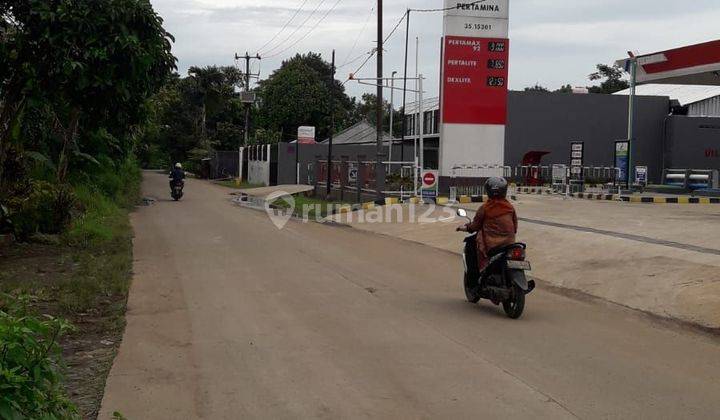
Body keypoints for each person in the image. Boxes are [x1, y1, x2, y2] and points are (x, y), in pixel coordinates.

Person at [457, 177, 518, 272]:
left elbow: (475, 226)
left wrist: (464, 227)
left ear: (488, 191)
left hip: (492, 245)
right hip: (509, 244)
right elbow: (515, 228)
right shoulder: (510, 208)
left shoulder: (485, 208)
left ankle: (473, 281)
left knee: (470, 247)